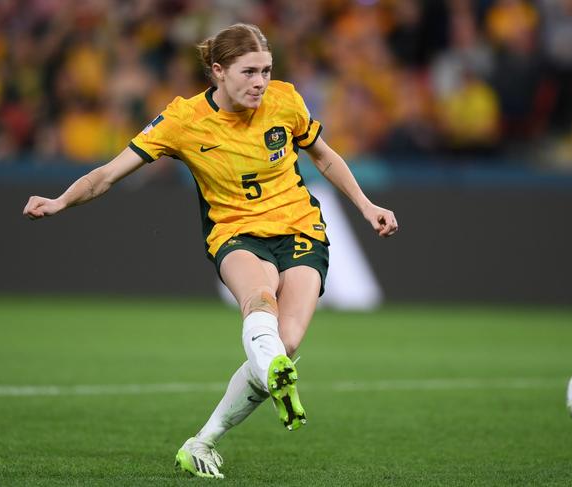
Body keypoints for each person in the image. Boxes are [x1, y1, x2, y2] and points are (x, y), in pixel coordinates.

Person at [23, 23, 398, 479]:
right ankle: (271, 369)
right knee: (258, 297)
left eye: (266, 70)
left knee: (287, 343)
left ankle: (203, 442)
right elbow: (107, 174)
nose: (260, 82)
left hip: (302, 229)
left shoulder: (285, 101)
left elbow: (325, 157)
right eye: (249, 72)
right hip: (235, 232)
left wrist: (365, 204)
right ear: (218, 71)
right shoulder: (182, 120)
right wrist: (61, 200)